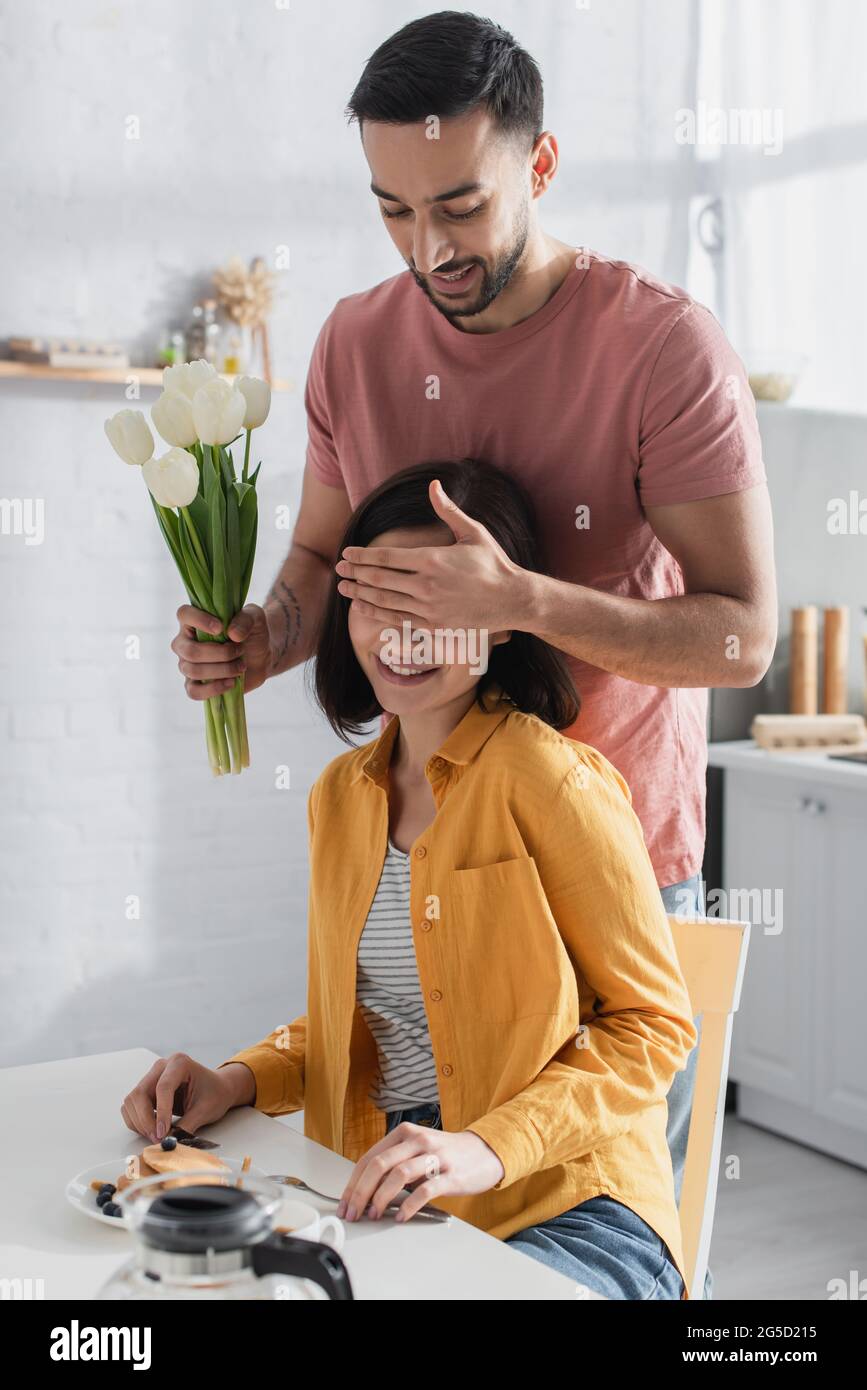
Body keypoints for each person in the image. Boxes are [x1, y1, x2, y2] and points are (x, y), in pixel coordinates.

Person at [168, 13, 778, 1296]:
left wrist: (521, 600)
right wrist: (257, 640)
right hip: (430, 813)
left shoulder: (660, 347)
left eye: (460, 205)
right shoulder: (354, 342)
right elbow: (316, 574)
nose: (429, 248)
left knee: (577, 1204)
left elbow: (741, 631)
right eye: (393, 210)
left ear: (540, 165)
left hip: (606, 836)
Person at [123, 458, 699, 1299]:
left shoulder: (554, 783)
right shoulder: (339, 797)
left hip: (569, 1202)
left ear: (501, 621)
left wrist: (483, 1147)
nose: (403, 634)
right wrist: (234, 1080)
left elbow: (651, 1026)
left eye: (439, 605)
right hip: (385, 1189)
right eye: (380, 602)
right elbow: (366, 1017)